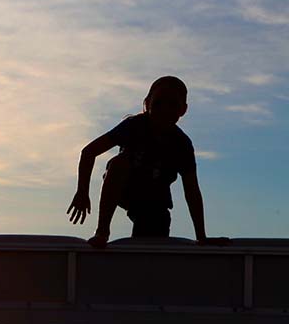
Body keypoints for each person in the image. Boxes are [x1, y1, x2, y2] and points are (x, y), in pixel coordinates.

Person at [67, 76, 225, 248]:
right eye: (159, 103)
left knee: (151, 241)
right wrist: (82, 192)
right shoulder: (133, 126)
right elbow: (89, 152)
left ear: (183, 110)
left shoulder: (181, 144)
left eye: (173, 104)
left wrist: (201, 236)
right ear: (147, 103)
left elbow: (192, 190)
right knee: (119, 163)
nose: (165, 109)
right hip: (126, 188)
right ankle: (102, 232)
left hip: (155, 201)